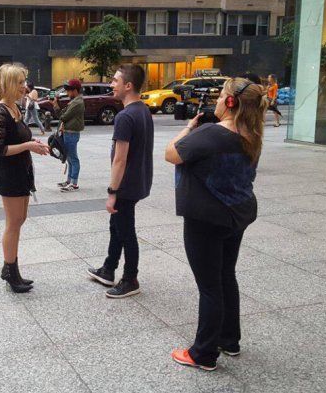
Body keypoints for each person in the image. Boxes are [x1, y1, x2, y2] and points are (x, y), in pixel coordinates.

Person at [164, 77, 266, 372]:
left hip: (206, 217)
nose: (217, 101)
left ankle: (203, 353)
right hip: (237, 214)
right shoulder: (253, 135)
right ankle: (229, 339)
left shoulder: (211, 133)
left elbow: (171, 154)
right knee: (225, 275)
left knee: (209, 286)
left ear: (231, 102)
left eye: (221, 96)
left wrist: (188, 128)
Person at [87, 65, 154, 298]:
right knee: (116, 226)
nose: (111, 84)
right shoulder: (143, 110)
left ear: (128, 85)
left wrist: (112, 191)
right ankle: (108, 269)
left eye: (115, 81)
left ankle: (130, 279)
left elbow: (120, 159)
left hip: (126, 185)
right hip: (138, 181)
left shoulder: (125, 116)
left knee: (126, 232)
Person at [0, 64, 50, 293]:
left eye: (24, 82)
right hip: (9, 174)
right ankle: (11, 271)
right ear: (9, 84)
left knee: (20, 219)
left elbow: (20, 139)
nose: (25, 87)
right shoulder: (1, 112)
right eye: (20, 83)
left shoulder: (15, 108)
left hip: (21, 171)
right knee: (13, 224)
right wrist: (28, 146)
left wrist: (33, 144)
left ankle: (11, 268)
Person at [51, 79, 85, 192]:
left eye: (68, 90)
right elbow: (62, 115)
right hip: (68, 132)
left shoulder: (77, 103)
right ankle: (69, 181)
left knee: (73, 158)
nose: (67, 93)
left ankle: (74, 184)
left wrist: (56, 106)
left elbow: (63, 117)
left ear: (75, 90)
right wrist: (56, 104)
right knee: (70, 159)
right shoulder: (74, 101)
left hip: (71, 133)